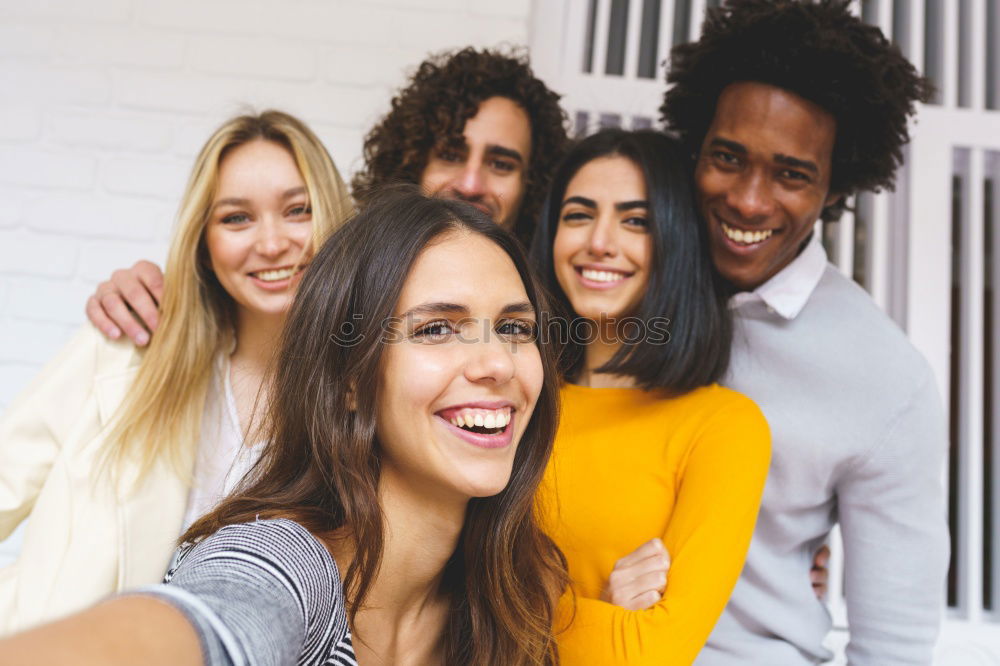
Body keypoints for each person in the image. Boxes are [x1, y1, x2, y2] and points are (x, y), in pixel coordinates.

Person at [0, 189, 568, 666]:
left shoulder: (520, 589)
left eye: (517, 328)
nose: (496, 363)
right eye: (437, 330)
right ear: (348, 379)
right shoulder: (284, 562)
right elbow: (221, 615)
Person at [659, 1, 948, 663]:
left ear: (836, 185)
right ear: (694, 148)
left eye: (792, 174)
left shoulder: (887, 379)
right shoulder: (615, 291)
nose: (750, 200)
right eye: (728, 157)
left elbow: (893, 647)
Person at [0, 110, 354, 635]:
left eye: (298, 210)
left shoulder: (365, 396)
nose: (273, 242)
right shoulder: (123, 350)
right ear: (204, 244)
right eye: (237, 218)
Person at [85, 46, 569, 345]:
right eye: (449, 154)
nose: (470, 182)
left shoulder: (554, 308)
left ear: (533, 183)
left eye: (501, 163)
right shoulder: (346, 272)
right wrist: (144, 290)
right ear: (411, 161)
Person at [530, 128, 771, 665]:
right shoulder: (512, 398)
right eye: (578, 214)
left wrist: (509, 601)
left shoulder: (723, 427)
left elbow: (653, 652)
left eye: (636, 221)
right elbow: (423, 601)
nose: (599, 241)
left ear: (676, 242)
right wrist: (601, 613)